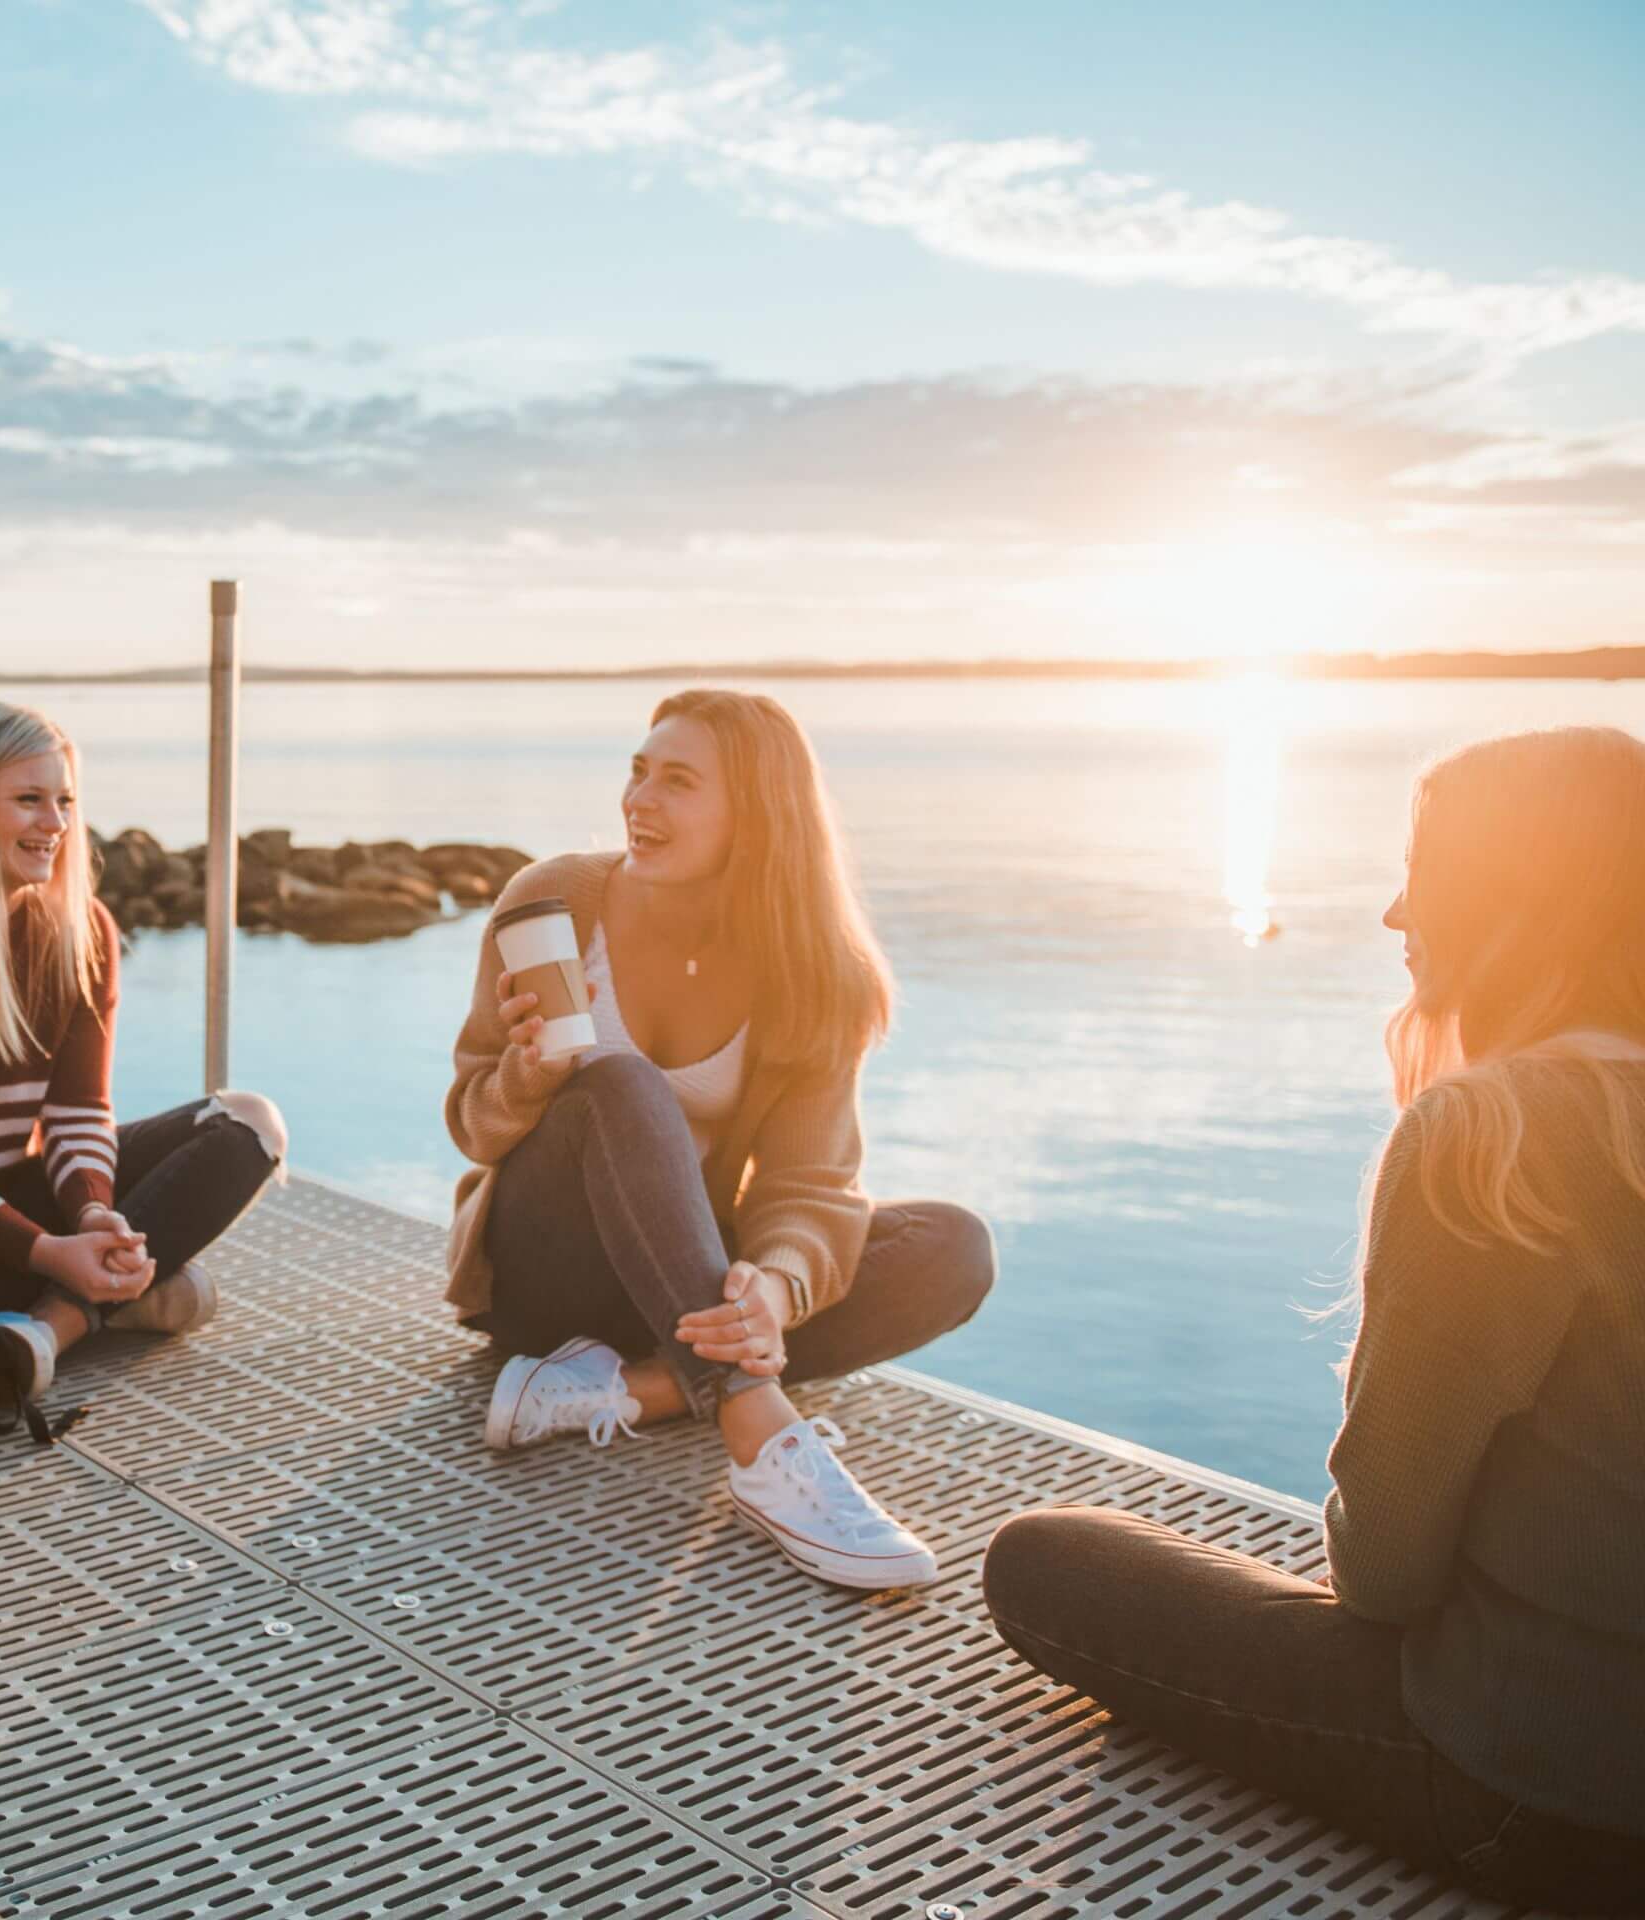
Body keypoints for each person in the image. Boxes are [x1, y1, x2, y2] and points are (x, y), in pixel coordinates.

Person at [981, 726, 1645, 1915]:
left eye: (1423, 870)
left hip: (1546, 1794)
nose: (1394, 914)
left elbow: (1380, 1572)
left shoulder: (1491, 1141)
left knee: (1043, 1559)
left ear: (1512, 897)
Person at [445, 688, 993, 1590]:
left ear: (756, 817)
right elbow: (472, 1122)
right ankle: (756, 1430)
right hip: (545, 1279)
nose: (639, 801)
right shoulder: (549, 903)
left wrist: (772, 1289)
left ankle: (630, 1388)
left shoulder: (819, 973)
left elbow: (810, 1183)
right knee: (618, 1083)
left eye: (678, 782)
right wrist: (530, 1075)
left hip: (687, 1284)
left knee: (953, 1247)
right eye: (638, 771)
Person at [0, 701, 286, 1394]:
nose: (58, 825)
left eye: (66, 800)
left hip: (25, 1198)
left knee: (248, 1122)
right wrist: (47, 1251)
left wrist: (95, 1215)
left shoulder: (81, 929)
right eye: (30, 800)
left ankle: (50, 1329)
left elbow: (76, 1113)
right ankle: (117, 1297)